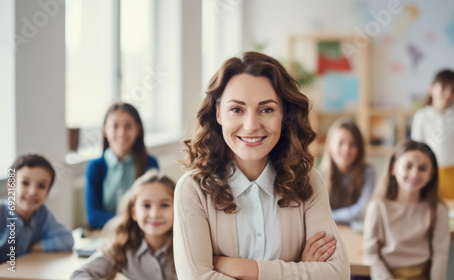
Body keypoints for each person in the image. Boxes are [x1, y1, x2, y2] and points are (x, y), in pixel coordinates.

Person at [174, 51, 350, 279]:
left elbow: (337, 274)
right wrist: (302, 270)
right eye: (236, 109)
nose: (251, 126)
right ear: (218, 113)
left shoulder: (308, 181)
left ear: (284, 114)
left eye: (267, 109)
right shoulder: (193, 190)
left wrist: (243, 269)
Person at [411, 69, 454, 280]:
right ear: (432, 89)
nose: (448, 94)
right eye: (444, 87)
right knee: (428, 233)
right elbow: (415, 151)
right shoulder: (421, 115)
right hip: (429, 179)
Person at [363, 140, 450, 279]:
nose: (415, 174)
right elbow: (371, 256)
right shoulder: (378, 207)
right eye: (408, 166)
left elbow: (440, 256)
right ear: (393, 168)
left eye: (422, 168)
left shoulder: (438, 210)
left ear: (431, 174)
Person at [71, 170, 177, 280]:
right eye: (146, 205)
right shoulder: (121, 247)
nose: (155, 214)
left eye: (164, 205)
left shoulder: (188, 248)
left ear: (178, 209)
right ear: (134, 213)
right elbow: (79, 275)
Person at [86, 102, 159, 229]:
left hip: (140, 234)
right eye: (115, 126)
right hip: (106, 234)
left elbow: (152, 209)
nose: (121, 133)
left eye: (128, 126)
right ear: (104, 130)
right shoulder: (96, 167)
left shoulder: (150, 164)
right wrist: (128, 219)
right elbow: (93, 217)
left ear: (138, 129)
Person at [0, 154, 74, 263]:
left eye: (41, 186)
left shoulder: (42, 214)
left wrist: (37, 247)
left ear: (47, 193)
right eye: (25, 183)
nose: (33, 192)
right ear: (11, 186)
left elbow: (67, 240)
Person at [319, 119, 375, 224]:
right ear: (330, 145)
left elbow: (362, 211)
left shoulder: (368, 172)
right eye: (340, 143)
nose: (346, 149)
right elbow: (316, 213)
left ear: (360, 148)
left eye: (353, 144)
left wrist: (328, 216)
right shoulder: (318, 176)